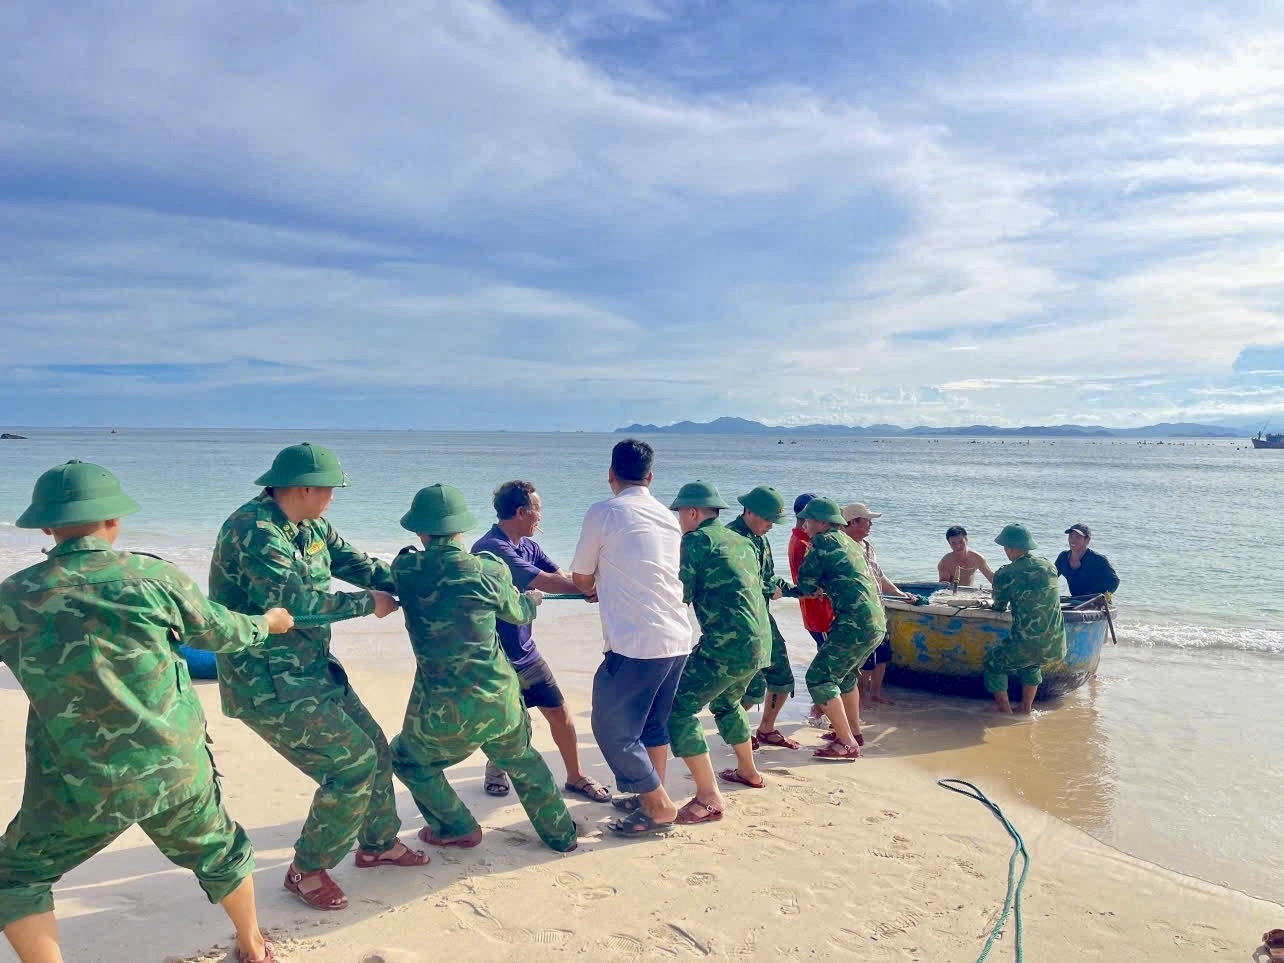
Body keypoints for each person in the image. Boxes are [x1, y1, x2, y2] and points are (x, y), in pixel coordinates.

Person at [0, 461, 294, 963]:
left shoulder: (13, 597)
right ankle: (252, 944)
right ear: (114, 522)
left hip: (78, 776)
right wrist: (268, 621)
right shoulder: (153, 577)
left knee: (18, 877)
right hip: (173, 764)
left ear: (46, 526)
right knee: (219, 850)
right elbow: (221, 633)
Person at [209, 443, 424, 913]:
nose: (332, 497)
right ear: (304, 488)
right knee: (349, 766)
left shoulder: (311, 525)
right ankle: (306, 869)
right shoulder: (254, 531)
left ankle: (378, 845)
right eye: (329, 489)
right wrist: (370, 603)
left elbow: (356, 563)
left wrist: (423, 582)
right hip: (266, 683)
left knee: (376, 749)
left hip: (312, 670)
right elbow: (297, 604)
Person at [389, 484, 578, 853]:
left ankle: (456, 825)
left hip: (441, 710)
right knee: (524, 761)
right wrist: (532, 600)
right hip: (499, 699)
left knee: (407, 760)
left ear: (418, 532)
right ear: (462, 528)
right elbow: (519, 612)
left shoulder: (406, 569)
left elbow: (393, 580)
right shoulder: (490, 570)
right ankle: (561, 835)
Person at [570, 439, 691, 838]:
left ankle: (657, 806)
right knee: (652, 725)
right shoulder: (666, 516)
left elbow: (581, 578)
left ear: (610, 475)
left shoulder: (604, 512)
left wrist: (596, 584)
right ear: (651, 477)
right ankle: (648, 794)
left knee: (612, 728)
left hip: (638, 643)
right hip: (677, 637)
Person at [470, 480, 610, 803]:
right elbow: (544, 582)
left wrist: (588, 586)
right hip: (494, 655)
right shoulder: (491, 548)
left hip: (525, 652)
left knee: (559, 712)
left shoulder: (528, 546)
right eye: (538, 511)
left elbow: (562, 576)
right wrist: (587, 589)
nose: (540, 518)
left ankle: (575, 777)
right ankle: (495, 767)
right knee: (510, 721)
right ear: (521, 512)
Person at [664, 482, 771, 825]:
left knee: (677, 710)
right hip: (760, 643)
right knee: (726, 704)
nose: (679, 520)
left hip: (726, 645)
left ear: (693, 512)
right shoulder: (742, 541)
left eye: (680, 513)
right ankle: (748, 772)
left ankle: (709, 797)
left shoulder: (696, 541)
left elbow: (677, 594)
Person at [795, 497, 886, 760]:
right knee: (845, 677)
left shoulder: (823, 542)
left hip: (853, 623)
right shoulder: (851, 542)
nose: (805, 525)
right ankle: (853, 733)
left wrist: (785, 590)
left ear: (822, 523)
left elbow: (807, 585)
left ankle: (846, 744)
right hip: (876, 622)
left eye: (809, 520)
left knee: (819, 677)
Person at [728, 486, 802, 750]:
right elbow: (736, 586)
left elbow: (768, 576)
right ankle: (735, 730)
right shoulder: (729, 538)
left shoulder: (761, 539)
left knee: (783, 678)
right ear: (748, 511)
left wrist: (798, 589)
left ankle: (767, 729)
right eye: (767, 519)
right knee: (750, 688)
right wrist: (769, 588)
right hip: (738, 624)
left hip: (763, 620)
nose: (771, 526)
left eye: (774, 521)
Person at [986, 524, 1067, 714]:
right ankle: (1025, 708)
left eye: (1005, 548)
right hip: (1056, 644)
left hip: (1027, 643)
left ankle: (1005, 711)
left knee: (993, 662)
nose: (1005, 552)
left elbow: (998, 606)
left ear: (1011, 548)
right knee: (1030, 663)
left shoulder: (1005, 573)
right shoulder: (1049, 566)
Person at [841, 502, 914, 707]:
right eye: (867, 520)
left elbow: (879, 576)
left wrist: (900, 594)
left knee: (883, 656)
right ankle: (859, 700)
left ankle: (875, 694)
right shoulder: (844, 546)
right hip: (860, 613)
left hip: (878, 609)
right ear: (853, 522)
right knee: (865, 661)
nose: (871, 524)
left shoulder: (868, 546)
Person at [787, 493, 834, 647]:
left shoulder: (799, 538)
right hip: (820, 613)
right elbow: (811, 581)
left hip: (817, 612)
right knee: (830, 664)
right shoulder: (804, 543)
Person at [1055, 524, 1119, 598]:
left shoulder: (1098, 559)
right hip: (1075, 600)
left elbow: (1114, 581)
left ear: (1087, 539)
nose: (1073, 540)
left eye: (1077, 537)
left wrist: (1105, 597)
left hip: (1096, 603)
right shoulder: (1063, 557)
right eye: (1071, 536)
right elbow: (1052, 577)